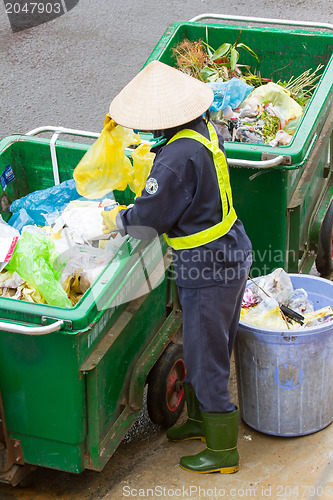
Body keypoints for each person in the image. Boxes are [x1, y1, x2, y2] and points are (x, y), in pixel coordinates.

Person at [102, 60, 252, 474]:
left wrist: (116, 219)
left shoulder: (175, 158)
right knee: (212, 344)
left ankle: (223, 451)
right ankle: (202, 421)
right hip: (230, 251)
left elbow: (149, 222)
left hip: (208, 267)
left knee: (206, 358)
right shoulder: (199, 132)